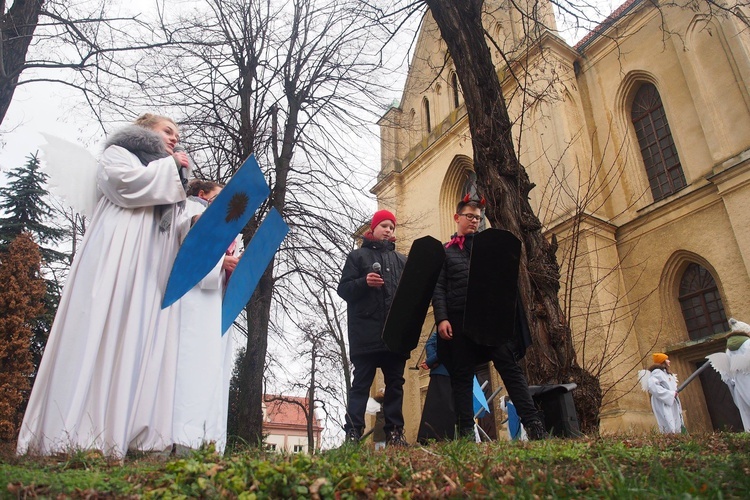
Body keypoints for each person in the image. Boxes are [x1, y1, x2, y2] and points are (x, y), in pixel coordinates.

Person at [17, 113, 190, 457]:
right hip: (115, 256)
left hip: (146, 270)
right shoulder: (120, 152)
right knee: (96, 330)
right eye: (168, 131)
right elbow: (126, 186)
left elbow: (176, 226)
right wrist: (172, 168)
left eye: (177, 136)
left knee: (130, 341)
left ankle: (116, 434)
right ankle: (69, 435)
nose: (174, 138)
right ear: (145, 129)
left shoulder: (172, 177)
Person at [432, 196, 548, 440]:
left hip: (489, 319)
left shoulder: (489, 248)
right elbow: (439, 288)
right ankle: (465, 433)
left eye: (477, 217)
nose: (474, 221)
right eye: (469, 216)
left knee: (510, 369)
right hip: (458, 320)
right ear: (457, 218)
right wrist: (442, 318)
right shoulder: (446, 252)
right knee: (462, 376)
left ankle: (534, 424)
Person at [172, 180, 239, 454]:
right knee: (191, 365)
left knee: (213, 369)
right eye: (218, 198)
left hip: (216, 303)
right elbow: (187, 253)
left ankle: (208, 440)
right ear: (202, 195)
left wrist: (232, 269)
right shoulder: (189, 210)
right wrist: (221, 263)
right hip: (193, 302)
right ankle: (182, 438)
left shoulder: (224, 227)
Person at [337, 209, 408, 447]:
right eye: (384, 226)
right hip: (365, 333)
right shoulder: (357, 257)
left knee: (395, 384)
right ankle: (353, 434)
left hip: (393, 335)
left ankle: (395, 433)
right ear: (374, 228)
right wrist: (364, 282)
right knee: (361, 385)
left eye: (392, 227)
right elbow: (344, 289)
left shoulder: (402, 261)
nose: (388, 230)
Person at [417, 331, 456, 443]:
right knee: (438, 406)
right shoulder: (445, 327)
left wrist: (430, 361)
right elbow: (430, 344)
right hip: (443, 372)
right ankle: (439, 437)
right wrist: (433, 361)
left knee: (439, 405)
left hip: (448, 371)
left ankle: (433, 437)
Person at [641, 353, 684, 434]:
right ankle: (670, 436)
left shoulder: (666, 374)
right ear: (662, 362)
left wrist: (673, 394)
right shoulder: (657, 372)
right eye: (667, 359)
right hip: (663, 401)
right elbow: (653, 386)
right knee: (668, 420)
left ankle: (677, 435)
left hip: (671, 400)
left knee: (675, 419)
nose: (669, 361)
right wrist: (669, 394)